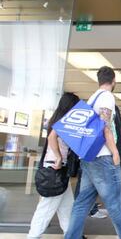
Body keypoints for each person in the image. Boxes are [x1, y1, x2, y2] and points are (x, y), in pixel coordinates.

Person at [65, 66, 121, 239]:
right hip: (102, 157)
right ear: (113, 81)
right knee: (115, 205)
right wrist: (115, 152)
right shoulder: (106, 97)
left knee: (82, 203)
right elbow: (104, 126)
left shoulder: (91, 99)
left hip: (88, 158)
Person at [27, 93, 79, 239]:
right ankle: (33, 236)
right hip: (54, 169)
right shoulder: (63, 120)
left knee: (67, 207)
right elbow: (51, 138)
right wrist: (58, 157)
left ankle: (71, 235)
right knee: (46, 209)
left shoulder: (58, 119)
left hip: (58, 170)